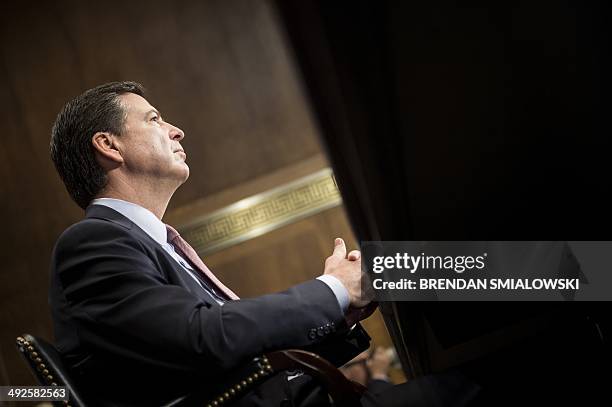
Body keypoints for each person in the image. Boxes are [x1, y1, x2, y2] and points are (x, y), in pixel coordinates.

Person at [49, 82, 478, 407]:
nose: (176, 130)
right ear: (109, 146)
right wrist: (333, 288)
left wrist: (341, 314)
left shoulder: (143, 242)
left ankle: (536, 273)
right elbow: (207, 339)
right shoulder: (92, 242)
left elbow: (230, 364)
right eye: (154, 119)